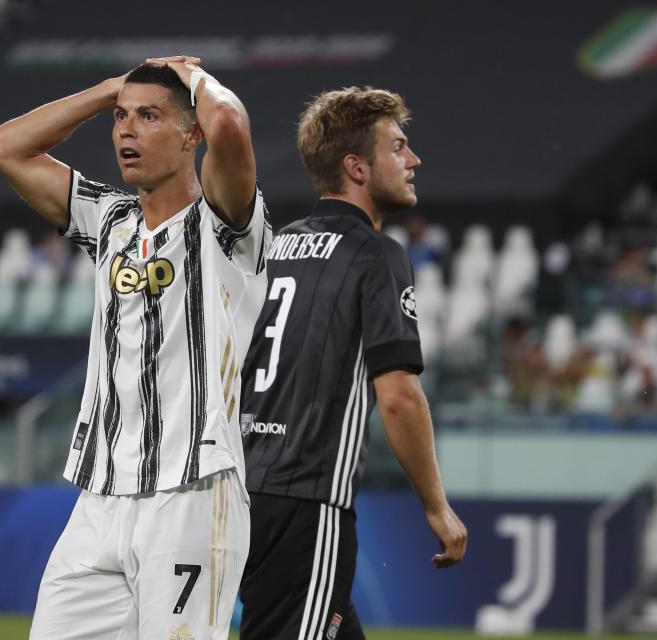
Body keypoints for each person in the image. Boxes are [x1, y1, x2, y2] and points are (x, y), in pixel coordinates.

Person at [0, 56, 270, 639]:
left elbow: (231, 129)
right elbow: (3, 147)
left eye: (148, 117)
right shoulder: (109, 221)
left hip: (192, 489)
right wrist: (110, 89)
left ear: (191, 133)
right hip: (102, 494)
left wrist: (191, 79)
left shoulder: (226, 225)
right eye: (120, 119)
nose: (125, 131)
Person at [238, 87, 467, 640]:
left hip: (243, 489)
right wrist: (437, 508)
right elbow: (398, 395)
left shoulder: (280, 245)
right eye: (398, 147)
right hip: (307, 499)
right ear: (356, 167)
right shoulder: (375, 254)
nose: (412, 161)